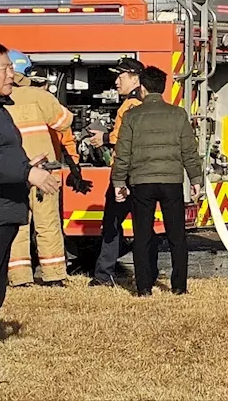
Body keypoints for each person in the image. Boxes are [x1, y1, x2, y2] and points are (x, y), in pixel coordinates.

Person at [0, 41, 60, 396]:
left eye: (12, 67)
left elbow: (0, 155)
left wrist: (29, 165)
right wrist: (27, 174)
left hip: (1, 212)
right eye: (5, 67)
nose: (12, 73)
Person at [112, 65, 201, 297]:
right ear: (162, 88)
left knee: (142, 235)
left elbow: (123, 153)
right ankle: (179, 286)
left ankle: (143, 287)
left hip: (141, 182)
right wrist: (195, 178)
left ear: (141, 88)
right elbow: (189, 150)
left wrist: (119, 182)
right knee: (177, 235)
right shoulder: (178, 114)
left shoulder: (132, 116)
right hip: (171, 181)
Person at [5, 51, 90, 288]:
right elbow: (65, 121)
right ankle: (53, 276)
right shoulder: (38, 95)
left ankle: (20, 278)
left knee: (18, 225)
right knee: (48, 223)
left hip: (14, 172)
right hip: (45, 172)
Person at [89, 57, 145, 287]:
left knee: (111, 223)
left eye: (120, 77)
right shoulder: (144, 102)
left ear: (134, 78)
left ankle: (103, 275)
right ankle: (146, 271)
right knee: (143, 224)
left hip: (124, 173)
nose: (116, 81)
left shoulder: (130, 106)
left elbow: (123, 138)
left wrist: (103, 137)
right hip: (142, 173)